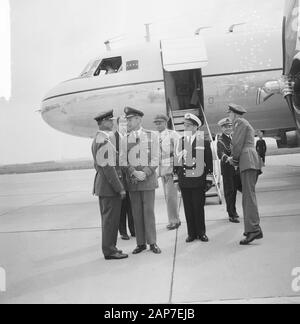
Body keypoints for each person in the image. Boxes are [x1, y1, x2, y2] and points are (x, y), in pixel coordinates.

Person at [121, 107, 162, 255]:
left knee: (148, 212)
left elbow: (156, 157)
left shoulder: (152, 136)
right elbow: (122, 160)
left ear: (138, 119)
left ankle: (152, 242)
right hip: (133, 181)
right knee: (136, 213)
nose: (128, 122)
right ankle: (140, 243)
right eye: (127, 120)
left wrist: (145, 172)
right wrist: (134, 172)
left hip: (148, 179)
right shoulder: (124, 139)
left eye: (130, 119)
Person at [92, 110, 128, 260]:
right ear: (104, 122)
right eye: (110, 120)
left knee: (110, 221)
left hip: (105, 186)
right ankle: (109, 251)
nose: (113, 123)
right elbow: (108, 167)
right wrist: (119, 188)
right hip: (109, 188)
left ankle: (111, 248)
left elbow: (98, 166)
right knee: (109, 221)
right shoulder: (103, 140)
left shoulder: (100, 139)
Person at [227, 104, 263, 245]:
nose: (228, 115)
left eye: (229, 113)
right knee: (248, 196)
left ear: (234, 114)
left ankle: (254, 229)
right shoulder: (241, 123)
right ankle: (251, 228)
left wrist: (234, 160)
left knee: (248, 197)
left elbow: (237, 144)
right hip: (248, 161)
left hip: (246, 160)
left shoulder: (239, 123)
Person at [174, 113, 213, 243]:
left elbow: (209, 161)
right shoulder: (180, 142)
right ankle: (191, 233)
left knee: (198, 207)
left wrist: (208, 179)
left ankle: (201, 232)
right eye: (185, 125)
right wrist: (176, 179)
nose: (186, 127)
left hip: (198, 180)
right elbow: (177, 162)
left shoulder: (204, 142)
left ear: (196, 127)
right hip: (184, 181)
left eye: (189, 125)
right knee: (188, 208)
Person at [153, 114, 181, 231]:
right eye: (156, 123)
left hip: (171, 170)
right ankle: (174, 219)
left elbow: (178, 152)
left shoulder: (173, 135)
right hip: (162, 171)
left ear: (165, 123)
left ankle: (174, 221)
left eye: (160, 123)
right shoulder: (154, 136)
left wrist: (177, 170)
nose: (158, 125)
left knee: (171, 197)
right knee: (167, 197)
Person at [115, 117, 135, 240]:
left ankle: (133, 230)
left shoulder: (130, 137)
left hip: (130, 176)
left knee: (131, 206)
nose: (124, 125)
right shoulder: (112, 138)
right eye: (121, 123)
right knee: (121, 207)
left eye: (126, 123)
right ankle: (123, 231)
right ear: (116, 125)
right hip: (120, 177)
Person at [217, 118, 240, 224]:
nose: (228, 128)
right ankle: (231, 214)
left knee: (235, 191)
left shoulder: (233, 137)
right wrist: (228, 159)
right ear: (222, 128)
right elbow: (220, 153)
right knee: (229, 192)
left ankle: (233, 211)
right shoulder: (221, 139)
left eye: (230, 126)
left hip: (236, 170)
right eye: (226, 127)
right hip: (227, 170)